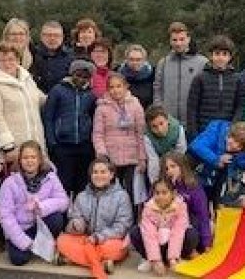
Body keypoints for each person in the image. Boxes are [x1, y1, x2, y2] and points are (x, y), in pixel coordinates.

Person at [0, 40, 48, 254]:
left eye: (12, 58)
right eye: (3, 59)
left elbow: (40, 100)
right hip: (12, 151)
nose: (8, 62)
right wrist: (8, 145)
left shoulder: (27, 80)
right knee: (4, 197)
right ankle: (0, 237)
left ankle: (28, 235)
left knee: (29, 196)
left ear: (19, 60)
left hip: (34, 148)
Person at [57, 157, 134, 279]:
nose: (99, 175)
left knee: (118, 247)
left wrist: (99, 237)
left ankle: (73, 260)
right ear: (91, 175)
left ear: (111, 175)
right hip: (86, 239)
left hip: (108, 240)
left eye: (103, 172)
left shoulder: (122, 196)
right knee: (62, 241)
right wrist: (76, 225)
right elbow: (75, 217)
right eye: (95, 172)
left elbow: (123, 226)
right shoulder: (82, 196)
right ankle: (101, 263)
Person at [0, 140, 69, 267]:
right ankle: (33, 245)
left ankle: (46, 243)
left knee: (56, 219)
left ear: (40, 159)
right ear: (20, 160)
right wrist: (23, 242)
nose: (29, 161)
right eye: (25, 157)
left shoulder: (50, 177)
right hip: (21, 228)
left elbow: (63, 201)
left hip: (41, 225)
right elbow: (5, 215)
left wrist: (42, 206)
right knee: (19, 259)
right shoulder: (9, 182)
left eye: (33, 157)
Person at [43, 59, 98, 195]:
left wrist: (91, 142)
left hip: (84, 145)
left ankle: (79, 214)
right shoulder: (58, 90)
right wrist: (52, 142)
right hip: (62, 145)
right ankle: (63, 213)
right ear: (72, 74)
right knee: (63, 184)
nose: (81, 79)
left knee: (82, 184)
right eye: (78, 75)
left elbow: (92, 117)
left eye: (85, 77)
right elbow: (48, 117)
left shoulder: (90, 94)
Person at [92, 72, 148, 207]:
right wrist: (102, 155)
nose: (115, 90)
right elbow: (98, 134)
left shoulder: (135, 105)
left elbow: (141, 133)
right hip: (111, 158)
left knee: (132, 193)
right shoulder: (102, 108)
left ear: (126, 87)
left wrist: (142, 158)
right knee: (111, 193)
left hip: (132, 158)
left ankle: (132, 223)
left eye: (119, 86)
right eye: (111, 87)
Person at [130, 179, 197, 274]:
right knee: (135, 232)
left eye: (164, 193)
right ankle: (150, 259)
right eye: (157, 193)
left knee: (191, 234)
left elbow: (178, 233)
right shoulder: (148, 208)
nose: (160, 196)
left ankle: (176, 259)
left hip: (175, 245)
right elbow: (149, 235)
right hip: (157, 245)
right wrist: (156, 260)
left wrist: (172, 258)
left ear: (173, 193)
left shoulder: (181, 207)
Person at [186, 34, 245, 135]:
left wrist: (233, 126)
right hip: (204, 131)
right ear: (211, 55)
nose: (220, 58)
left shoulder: (237, 79)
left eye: (224, 54)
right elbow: (192, 109)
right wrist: (194, 134)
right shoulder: (200, 78)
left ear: (230, 57)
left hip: (227, 132)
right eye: (217, 53)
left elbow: (240, 106)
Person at [188, 120, 245, 204]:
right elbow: (197, 145)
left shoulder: (238, 152)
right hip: (195, 170)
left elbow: (242, 163)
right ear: (229, 134)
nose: (234, 146)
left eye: (239, 146)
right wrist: (217, 159)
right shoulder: (216, 131)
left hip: (213, 179)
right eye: (234, 141)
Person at [153, 22, 206, 128]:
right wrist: (160, 114)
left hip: (194, 123)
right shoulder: (163, 63)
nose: (178, 43)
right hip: (169, 124)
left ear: (188, 39)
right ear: (170, 41)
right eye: (174, 40)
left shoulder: (202, 62)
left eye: (182, 39)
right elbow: (157, 90)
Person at [163, 152, 212, 253]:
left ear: (182, 166)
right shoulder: (162, 185)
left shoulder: (194, 187)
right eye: (167, 168)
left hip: (188, 224)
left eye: (173, 166)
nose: (170, 171)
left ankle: (190, 251)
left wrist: (206, 243)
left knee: (191, 234)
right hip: (166, 224)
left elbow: (203, 215)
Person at [143, 105, 187, 183]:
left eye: (161, 123)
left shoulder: (178, 129)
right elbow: (153, 161)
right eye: (154, 126)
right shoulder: (147, 137)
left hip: (175, 159)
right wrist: (155, 183)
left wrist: (177, 174)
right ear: (149, 127)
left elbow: (181, 153)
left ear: (167, 120)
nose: (159, 129)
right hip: (159, 160)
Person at [31, 21, 75, 94]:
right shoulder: (32, 55)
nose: (52, 38)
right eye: (48, 35)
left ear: (62, 37)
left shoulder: (71, 58)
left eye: (56, 35)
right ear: (41, 37)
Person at [119, 44, 155, 109]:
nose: (134, 62)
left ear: (144, 60)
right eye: (131, 59)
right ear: (126, 59)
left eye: (138, 60)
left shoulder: (153, 74)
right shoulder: (118, 74)